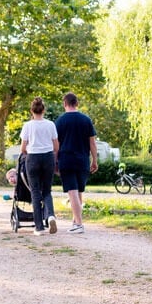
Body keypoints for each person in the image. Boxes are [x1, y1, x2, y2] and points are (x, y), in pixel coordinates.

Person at [54, 92, 98, 234]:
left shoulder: (60, 121)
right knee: (79, 191)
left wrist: (55, 161)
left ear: (64, 104)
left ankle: (79, 224)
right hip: (83, 160)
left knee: (72, 192)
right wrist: (94, 160)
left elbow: (57, 145)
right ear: (77, 103)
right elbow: (92, 143)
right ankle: (76, 221)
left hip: (66, 160)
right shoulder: (86, 120)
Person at [20, 96, 59, 235]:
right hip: (48, 157)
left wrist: (28, 152)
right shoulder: (50, 124)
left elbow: (23, 148)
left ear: (32, 111)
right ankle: (50, 216)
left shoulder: (27, 125)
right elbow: (56, 146)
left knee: (35, 192)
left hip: (32, 158)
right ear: (44, 110)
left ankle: (39, 227)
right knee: (47, 191)